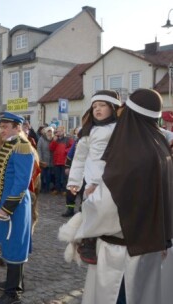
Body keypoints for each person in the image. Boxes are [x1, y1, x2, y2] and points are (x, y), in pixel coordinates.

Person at [61, 89, 173, 303]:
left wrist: (83, 220)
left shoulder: (131, 154)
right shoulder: (160, 146)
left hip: (123, 256)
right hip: (151, 245)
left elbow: (108, 207)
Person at [0, 112, 34, 304]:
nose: (2, 130)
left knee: (15, 244)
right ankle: (15, 282)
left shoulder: (23, 147)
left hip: (15, 205)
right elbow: (5, 169)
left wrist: (7, 209)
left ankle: (13, 293)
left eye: (6, 126)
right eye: (1, 126)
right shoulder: (10, 144)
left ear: (18, 127)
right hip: (6, 203)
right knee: (10, 244)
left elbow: (21, 183)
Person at [64, 90, 120, 218]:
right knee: (90, 220)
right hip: (90, 185)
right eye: (94, 106)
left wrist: (97, 183)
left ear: (113, 107)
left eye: (102, 105)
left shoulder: (121, 128)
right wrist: (74, 181)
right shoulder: (88, 130)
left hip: (112, 184)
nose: (97, 109)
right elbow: (79, 159)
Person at [49, 125, 73, 195]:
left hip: (64, 160)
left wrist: (65, 151)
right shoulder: (56, 139)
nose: (58, 132)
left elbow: (72, 148)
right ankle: (57, 189)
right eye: (57, 131)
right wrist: (54, 141)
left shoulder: (68, 139)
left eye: (59, 131)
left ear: (63, 131)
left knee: (64, 177)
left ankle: (64, 190)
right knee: (57, 176)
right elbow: (51, 148)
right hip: (56, 161)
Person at [36, 126, 54, 193]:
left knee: (49, 176)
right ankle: (41, 188)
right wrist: (40, 159)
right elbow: (39, 149)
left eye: (51, 132)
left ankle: (47, 189)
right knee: (42, 175)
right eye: (48, 132)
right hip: (43, 160)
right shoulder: (42, 139)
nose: (49, 133)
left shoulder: (53, 139)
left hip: (50, 161)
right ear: (46, 132)